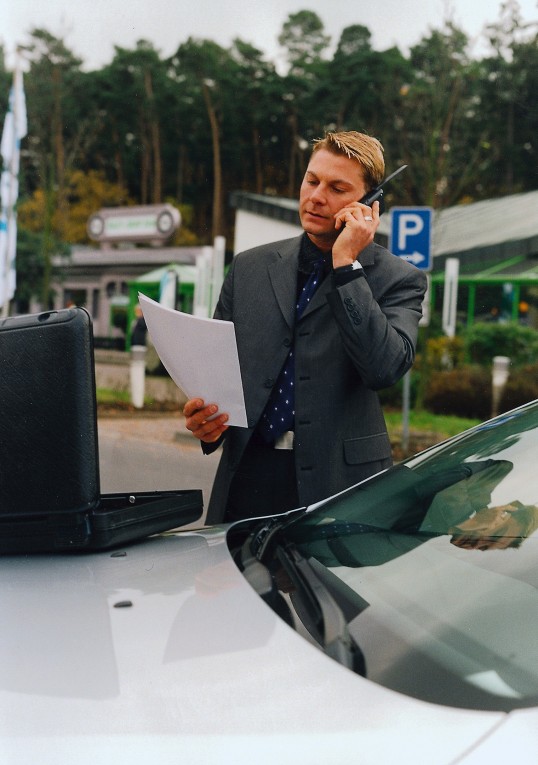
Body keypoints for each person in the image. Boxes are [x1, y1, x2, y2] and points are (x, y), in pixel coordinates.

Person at [184, 130, 428, 524]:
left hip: (341, 488)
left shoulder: (399, 279)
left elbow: (384, 368)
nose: (316, 196)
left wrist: (347, 264)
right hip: (247, 476)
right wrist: (208, 423)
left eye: (336, 187)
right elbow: (218, 370)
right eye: (312, 180)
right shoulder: (249, 267)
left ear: (369, 203)